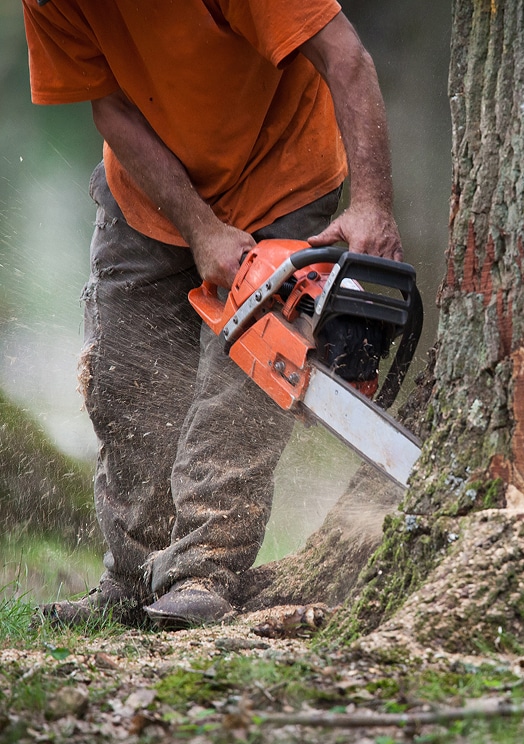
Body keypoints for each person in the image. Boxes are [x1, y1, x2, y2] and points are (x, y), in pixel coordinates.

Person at [22, 0, 403, 628]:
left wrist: (373, 206)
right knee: (125, 382)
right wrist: (201, 228)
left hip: (283, 173)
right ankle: (134, 576)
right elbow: (109, 105)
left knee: (240, 388)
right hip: (147, 188)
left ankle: (205, 569)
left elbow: (346, 57)